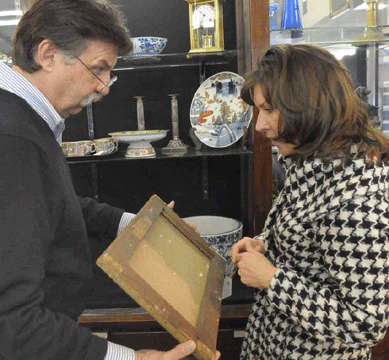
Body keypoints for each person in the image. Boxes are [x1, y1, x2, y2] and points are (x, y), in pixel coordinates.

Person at [0, 1, 219, 360]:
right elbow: (12, 323)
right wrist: (128, 358)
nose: (103, 88)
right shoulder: (13, 137)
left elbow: (54, 203)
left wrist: (133, 225)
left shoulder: (24, 121)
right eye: (98, 70)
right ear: (48, 54)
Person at [231, 43, 389, 360]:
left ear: (310, 106)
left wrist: (272, 279)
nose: (259, 125)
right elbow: (313, 241)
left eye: (269, 109)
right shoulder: (314, 161)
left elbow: (366, 324)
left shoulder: (355, 194)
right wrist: (265, 244)